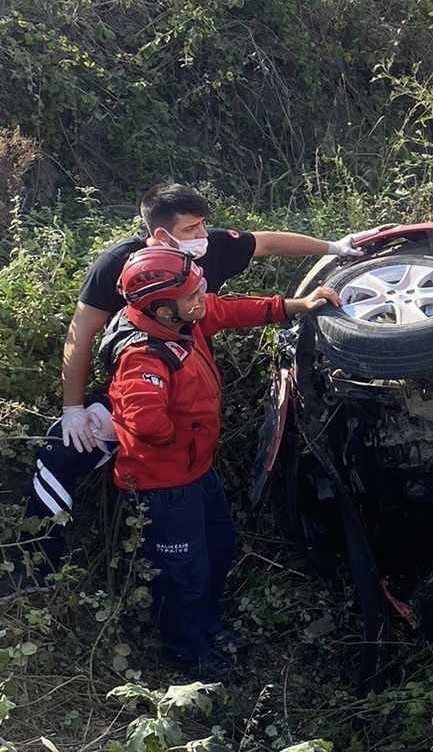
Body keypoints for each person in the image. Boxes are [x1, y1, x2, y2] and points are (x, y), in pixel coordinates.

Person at [11, 182, 382, 584]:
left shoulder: (208, 251)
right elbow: (80, 335)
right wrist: (74, 409)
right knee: (59, 454)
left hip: (191, 373)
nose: (202, 237)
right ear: (160, 236)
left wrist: (333, 246)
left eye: (204, 224)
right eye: (191, 229)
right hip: (138, 383)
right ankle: (36, 563)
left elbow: (262, 249)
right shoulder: (119, 265)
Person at [106, 245, 339, 674]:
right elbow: (142, 418)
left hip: (196, 471)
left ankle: (207, 628)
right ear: (161, 309)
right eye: (193, 294)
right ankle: (187, 655)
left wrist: (296, 306)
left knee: (219, 548)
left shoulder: (183, 320)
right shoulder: (142, 356)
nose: (202, 299)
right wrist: (183, 436)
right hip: (164, 487)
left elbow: (229, 310)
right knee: (182, 574)